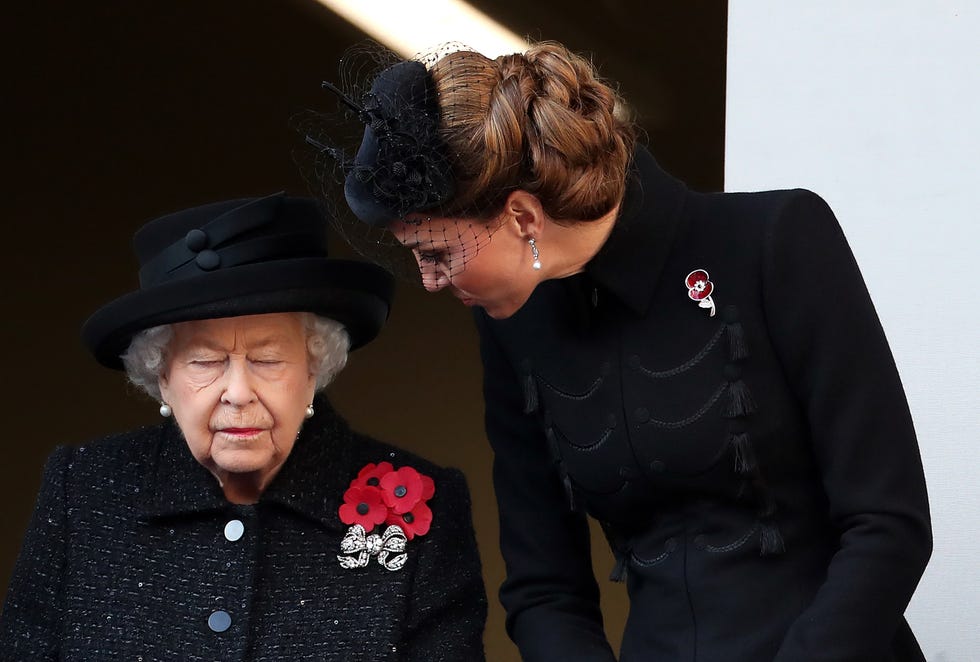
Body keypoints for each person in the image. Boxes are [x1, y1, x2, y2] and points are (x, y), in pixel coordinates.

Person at [299, 42, 933, 661]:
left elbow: (888, 524)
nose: (430, 281)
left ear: (522, 217)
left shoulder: (774, 241)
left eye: (439, 253)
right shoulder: (514, 326)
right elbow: (543, 586)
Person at [0, 192, 487, 661]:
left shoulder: (424, 504)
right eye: (206, 361)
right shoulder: (83, 489)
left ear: (314, 368)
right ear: (162, 377)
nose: (238, 392)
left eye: (268, 358)